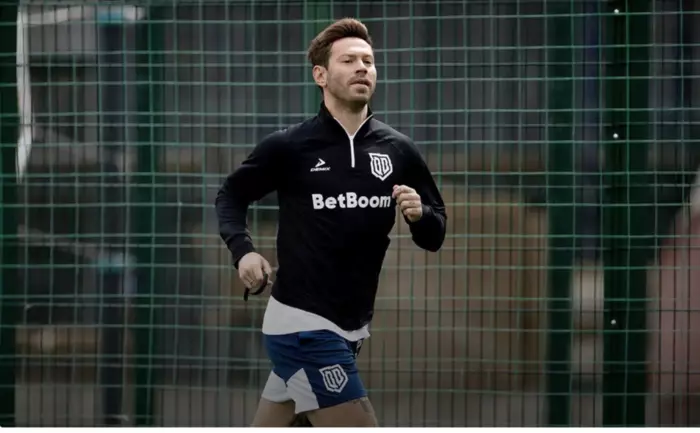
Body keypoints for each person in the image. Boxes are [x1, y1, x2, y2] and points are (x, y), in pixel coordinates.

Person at [215, 17, 447, 427]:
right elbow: (230, 196)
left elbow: (435, 234)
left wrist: (420, 215)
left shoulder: (399, 149)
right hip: (302, 325)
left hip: (352, 327)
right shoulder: (290, 146)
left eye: (368, 61)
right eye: (349, 60)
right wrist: (243, 251)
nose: (362, 68)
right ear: (320, 75)